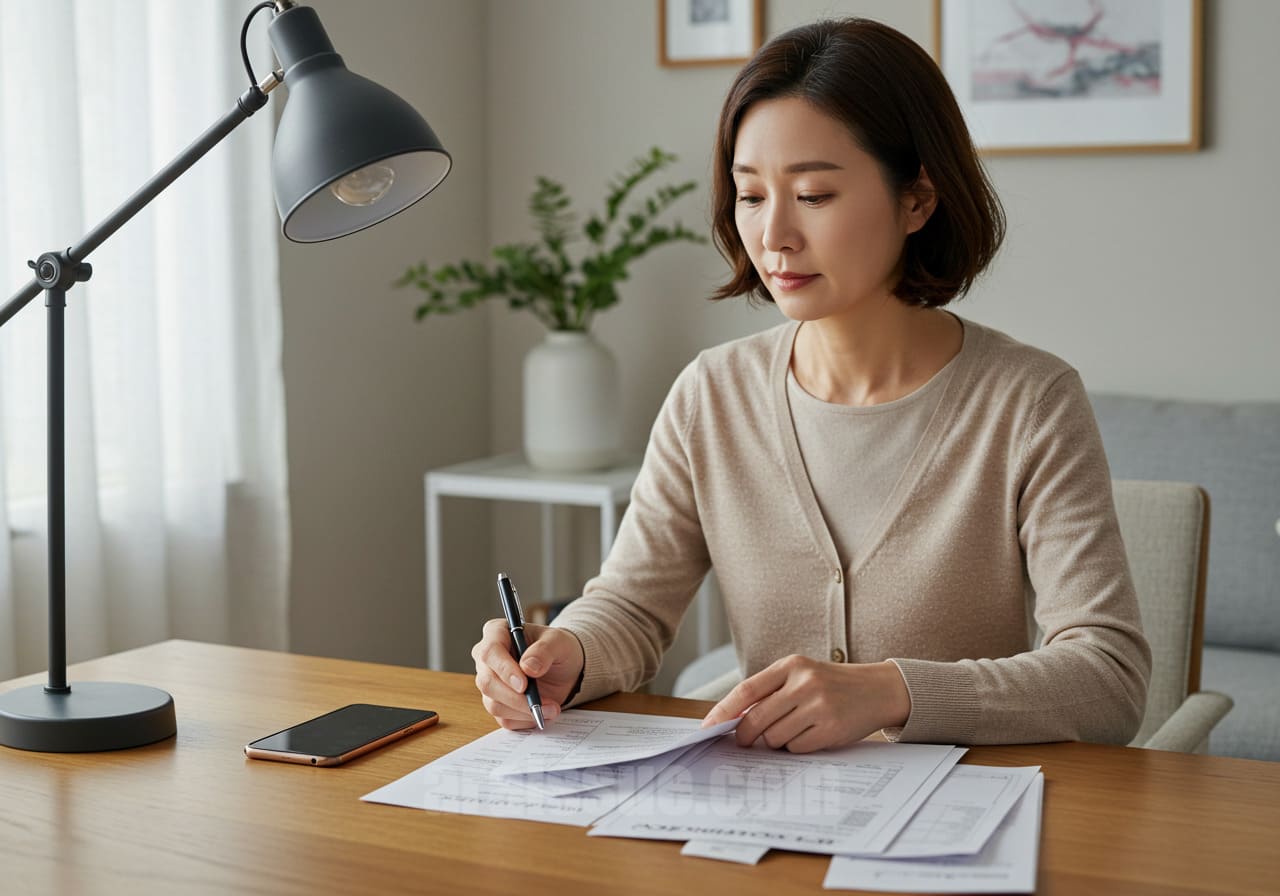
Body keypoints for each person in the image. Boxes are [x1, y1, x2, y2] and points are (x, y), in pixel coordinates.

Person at [471, 18, 1150, 753]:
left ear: (918, 198)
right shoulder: (711, 395)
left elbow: (1108, 678)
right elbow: (633, 607)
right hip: (765, 828)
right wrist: (565, 654)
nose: (774, 236)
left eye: (815, 196)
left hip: (966, 826)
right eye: (751, 195)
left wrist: (892, 691)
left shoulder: (1029, 402)